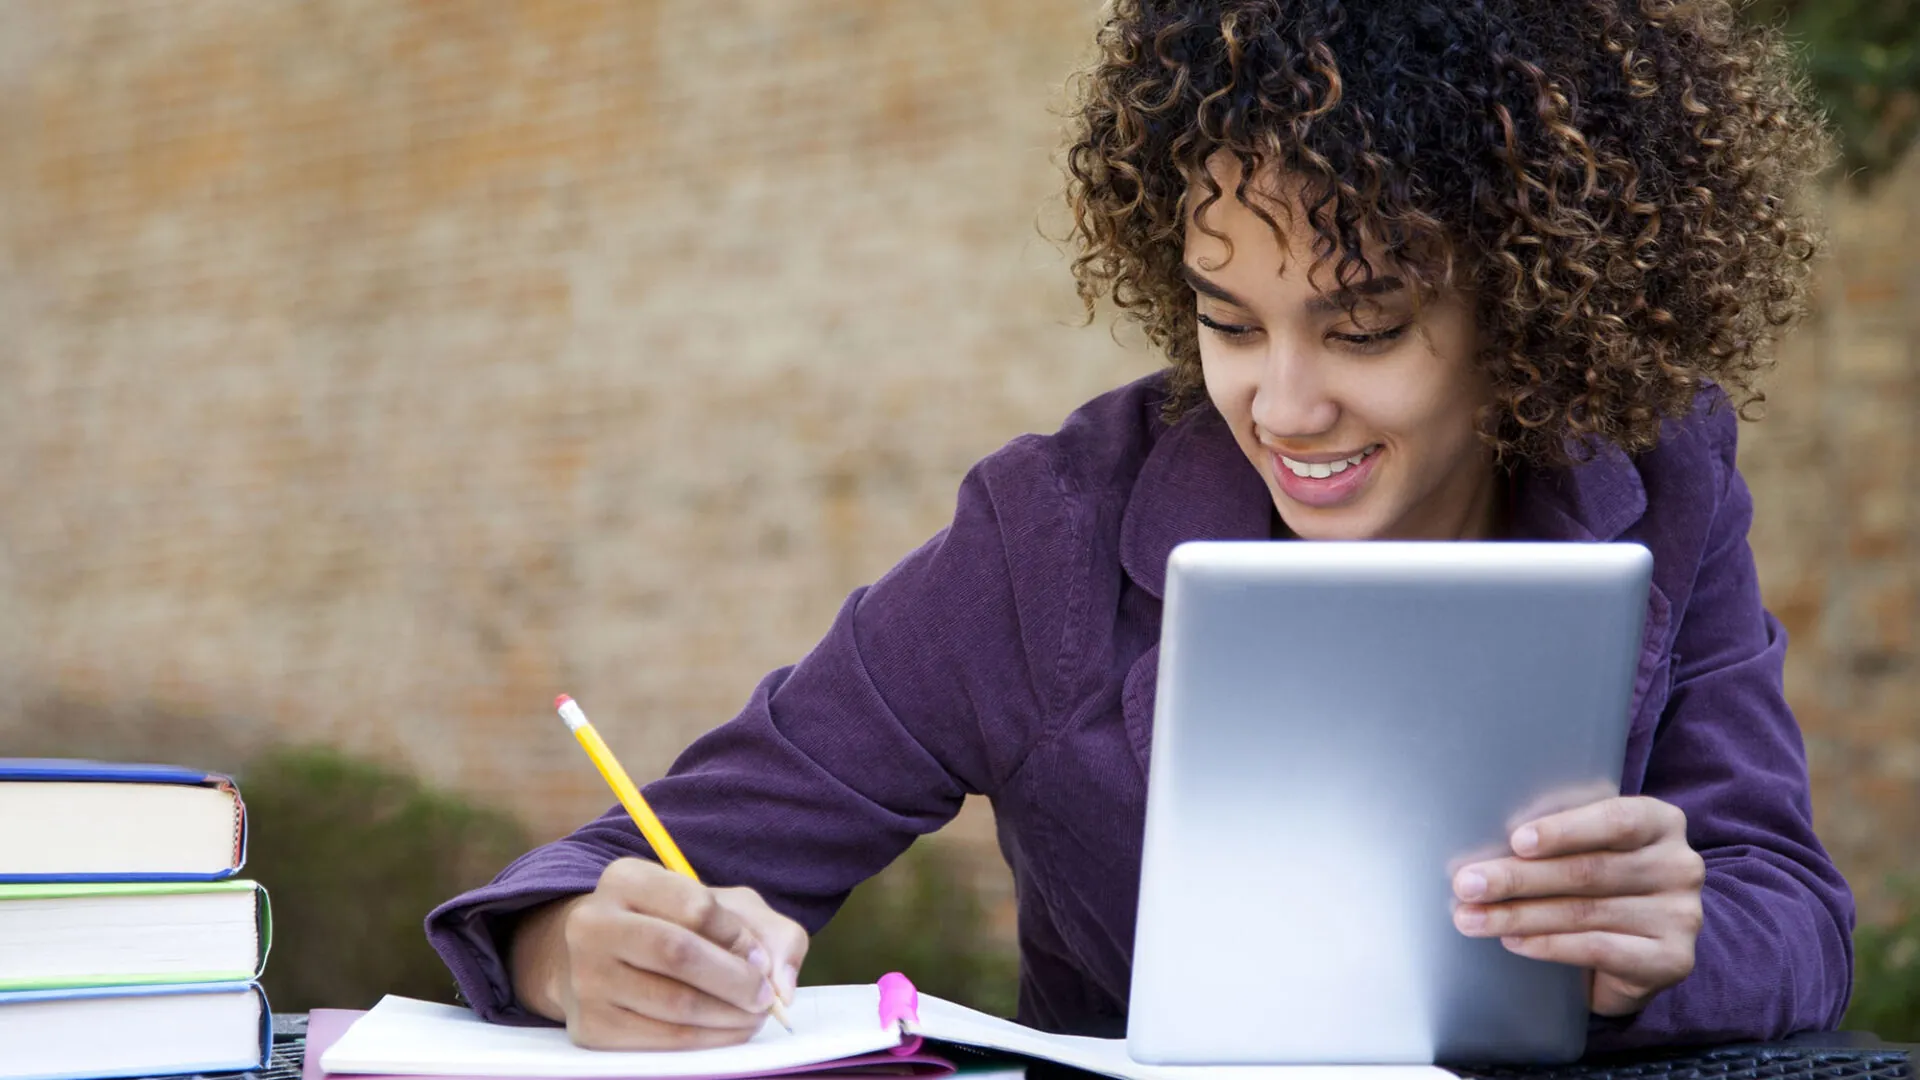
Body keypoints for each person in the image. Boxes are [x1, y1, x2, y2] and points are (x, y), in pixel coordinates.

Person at [426, 0, 1854, 1054]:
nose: (1282, 405)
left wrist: (1673, 942)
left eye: (1364, 328)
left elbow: (1790, 913)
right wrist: (577, 953)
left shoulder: (1662, 484)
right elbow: (646, 855)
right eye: (1230, 323)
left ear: (1535, 308)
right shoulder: (1048, 535)